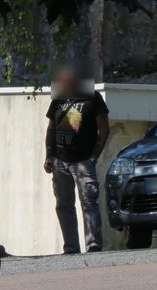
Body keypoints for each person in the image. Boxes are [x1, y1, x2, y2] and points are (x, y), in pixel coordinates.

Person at [44, 66, 110, 254]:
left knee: (89, 202)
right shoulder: (59, 98)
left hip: (83, 161)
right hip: (60, 161)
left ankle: (93, 245)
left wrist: (93, 157)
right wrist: (49, 155)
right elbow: (51, 128)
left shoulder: (93, 98)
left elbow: (104, 129)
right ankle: (71, 247)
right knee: (64, 205)